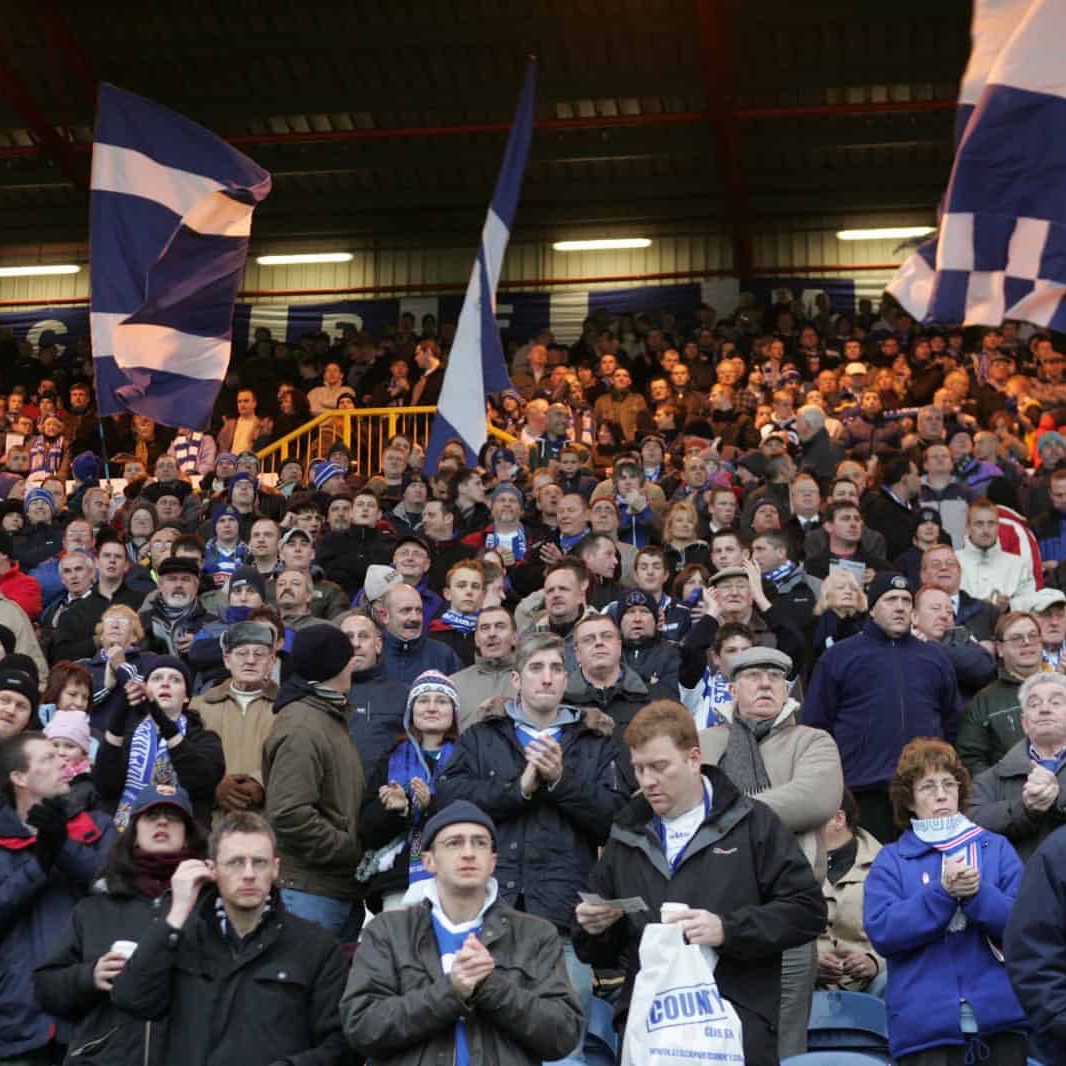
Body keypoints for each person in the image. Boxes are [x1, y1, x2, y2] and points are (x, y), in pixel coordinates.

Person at [573, 700, 827, 1066]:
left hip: (735, 1026)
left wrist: (728, 929)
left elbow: (807, 911)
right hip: (651, 1033)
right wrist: (592, 927)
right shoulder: (627, 832)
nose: (647, 781)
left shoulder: (753, 822)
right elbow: (598, 952)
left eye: (659, 767)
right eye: (639, 769)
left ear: (694, 759)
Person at [437, 632, 626, 1050]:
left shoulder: (595, 743)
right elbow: (446, 800)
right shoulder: (482, 736)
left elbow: (617, 818)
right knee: (487, 1040)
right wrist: (518, 789)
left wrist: (561, 781)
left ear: (566, 679)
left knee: (564, 1047)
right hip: (486, 911)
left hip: (562, 914)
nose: (547, 678)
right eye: (536, 669)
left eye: (556, 669)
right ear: (516, 680)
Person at [341, 800, 583, 1064]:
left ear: (493, 861)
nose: (469, 852)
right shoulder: (388, 931)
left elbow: (563, 1034)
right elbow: (362, 1027)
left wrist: (491, 988)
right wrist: (451, 991)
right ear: (429, 861)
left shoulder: (535, 935)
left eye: (480, 843)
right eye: (454, 843)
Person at [108, 811, 350, 1065]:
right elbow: (131, 998)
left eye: (259, 862)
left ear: (276, 868)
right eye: (235, 862)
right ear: (212, 869)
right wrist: (178, 911)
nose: (248, 874)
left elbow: (339, 1045)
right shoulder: (180, 938)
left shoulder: (316, 946)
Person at [698, 646, 843, 1058]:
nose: (766, 684)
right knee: (712, 1039)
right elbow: (671, 797)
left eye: (776, 678)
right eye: (754, 676)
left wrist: (720, 810)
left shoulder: (812, 740)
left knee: (784, 1042)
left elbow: (815, 799)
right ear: (732, 688)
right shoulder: (704, 742)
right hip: (712, 909)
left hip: (788, 912)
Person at [863, 739, 1028, 1065]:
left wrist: (977, 894)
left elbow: (1023, 926)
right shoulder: (892, 859)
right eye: (927, 786)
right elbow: (883, 932)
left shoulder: (995, 849)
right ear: (909, 800)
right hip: (924, 1031)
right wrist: (942, 894)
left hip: (1000, 1025)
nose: (940, 794)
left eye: (948, 784)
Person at [33, 785, 208, 1066]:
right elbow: (45, 990)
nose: (162, 822)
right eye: (151, 817)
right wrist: (89, 977)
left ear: (188, 835)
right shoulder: (96, 906)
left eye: (172, 817)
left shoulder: (211, 904)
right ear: (134, 834)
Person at [803, 572, 962, 842]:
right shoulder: (839, 657)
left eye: (906, 600)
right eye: (890, 599)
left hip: (923, 789)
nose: (899, 606)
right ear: (872, 609)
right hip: (862, 789)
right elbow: (816, 724)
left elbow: (951, 719)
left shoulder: (935, 657)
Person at [0, 729, 116, 1065]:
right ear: (19, 777)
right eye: (48, 758)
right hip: (17, 1015)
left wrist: (62, 845)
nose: (62, 761)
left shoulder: (97, 826)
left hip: (86, 1016)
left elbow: (115, 888)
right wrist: (38, 866)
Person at [263, 623, 365, 937]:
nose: (354, 663)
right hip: (310, 891)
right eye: (348, 658)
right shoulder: (303, 727)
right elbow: (289, 813)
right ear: (333, 666)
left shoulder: (326, 717)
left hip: (331, 889)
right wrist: (350, 850)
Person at [358, 671, 461, 911]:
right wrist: (399, 810)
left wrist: (431, 805)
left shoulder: (467, 756)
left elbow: (478, 807)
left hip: (455, 879)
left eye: (442, 701)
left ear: (454, 713)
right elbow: (366, 827)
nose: (432, 708)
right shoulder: (392, 757)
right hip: (399, 882)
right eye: (423, 701)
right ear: (411, 711)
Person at [93, 654, 225, 830]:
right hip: (124, 836)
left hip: (185, 840)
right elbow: (104, 786)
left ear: (186, 697)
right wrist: (118, 717)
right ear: (145, 690)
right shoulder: (127, 736)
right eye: (156, 678)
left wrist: (163, 722)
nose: (165, 683)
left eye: (175, 680)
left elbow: (201, 781)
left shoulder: (205, 739)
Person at [969, 671, 1066, 862]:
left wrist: (1058, 798)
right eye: (1034, 704)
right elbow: (972, 825)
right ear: (1024, 723)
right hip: (1020, 887)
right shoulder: (990, 780)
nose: (1044, 709)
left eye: (1056, 702)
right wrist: (1025, 809)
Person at [191, 621, 277, 825]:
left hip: (268, 825)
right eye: (241, 653)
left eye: (259, 654)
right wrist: (213, 785)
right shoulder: (198, 707)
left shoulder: (288, 709)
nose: (250, 660)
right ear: (227, 660)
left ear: (271, 661)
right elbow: (185, 762)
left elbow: (295, 762)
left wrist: (260, 783)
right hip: (210, 825)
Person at [956, 611, 1047, 776]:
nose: (1026, 642)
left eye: (1032, 635)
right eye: (1016, 638)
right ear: (1000, 649)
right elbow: (971, 760)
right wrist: (1005, 791)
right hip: (1014, 798)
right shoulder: (983, 702)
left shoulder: (1061, 687)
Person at [817, 788, 885, 995]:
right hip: (808, 987)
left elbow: (904, 930)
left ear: (839, 819)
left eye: (812, 817)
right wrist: (810, 963)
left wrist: (875, 962)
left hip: (874, 984)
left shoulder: (886, 864)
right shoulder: (790, 863)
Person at [339, 610, 408, 772]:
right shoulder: (323, 693)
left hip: (383, 793)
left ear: (378, 645)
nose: (355, 643)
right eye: (348, 637)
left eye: (363, 636)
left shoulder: (401, 694)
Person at [449, 605, 519, 732]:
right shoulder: (453, 684)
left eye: (500, 626)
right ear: (476, 639)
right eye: (485, 628)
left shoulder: (532, 680)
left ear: (515, 637)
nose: (492, 633)